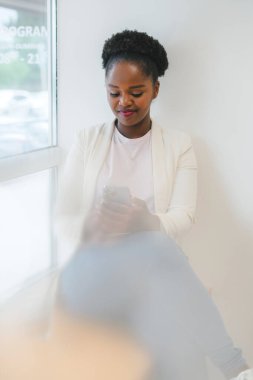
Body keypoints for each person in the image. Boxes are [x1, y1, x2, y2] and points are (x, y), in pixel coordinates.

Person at [55, 30, 248, 380]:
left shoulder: (179, 145)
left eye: (136, 92)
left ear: (155, 90)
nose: (123, 102)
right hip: (95, 266)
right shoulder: (86, 141)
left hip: (154, 269)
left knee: (168, 323)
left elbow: (184, 216)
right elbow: (63, 219)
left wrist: (145, 220)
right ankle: (235, 366)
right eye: (114, 93)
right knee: (160, 255)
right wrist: (94, 225)